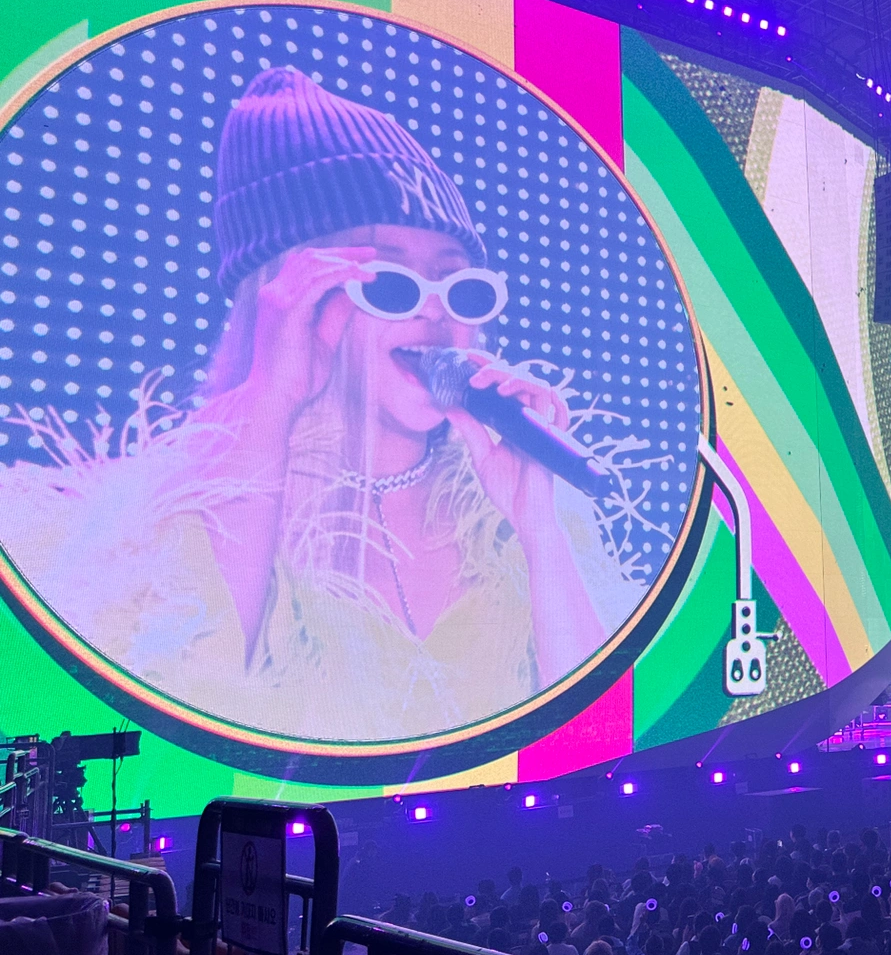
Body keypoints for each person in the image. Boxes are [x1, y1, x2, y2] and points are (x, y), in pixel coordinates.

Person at [0, 68, 637, 739]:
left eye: (459, 284)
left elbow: (596, 736)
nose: (434, 309)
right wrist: (271, 402)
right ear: (291, 298)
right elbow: (186, 713)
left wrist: (539, 527)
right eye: (389, 282)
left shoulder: (503, 513)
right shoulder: (178, 521)